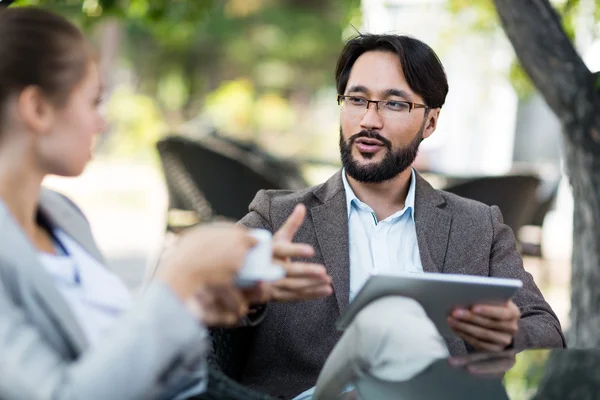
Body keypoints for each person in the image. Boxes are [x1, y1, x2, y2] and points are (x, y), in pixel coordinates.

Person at [0, 7, 332, 400]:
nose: (101, 123)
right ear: (37, 109)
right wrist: (177, 277)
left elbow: (132, 362)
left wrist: (197, 304)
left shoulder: (63, 217)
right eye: (94, 101)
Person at [231, 33, 566, 399]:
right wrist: (252, 287)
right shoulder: (278, 216)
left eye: (394, 104)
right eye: (357, 100)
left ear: (431, 122)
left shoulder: (477, 226)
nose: (368, 120)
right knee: (392, 318)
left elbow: (546, 329)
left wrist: (509, 334)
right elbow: (204, 295)